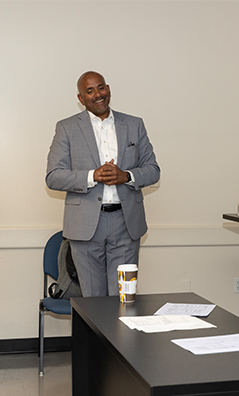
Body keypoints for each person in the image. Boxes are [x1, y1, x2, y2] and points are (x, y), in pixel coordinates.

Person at [46, 71, 160, 297]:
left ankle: (123, 334)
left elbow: (153, 170)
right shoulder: (66, 127)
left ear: (108, 89)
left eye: (101, 87)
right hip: (85, 226)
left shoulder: (134, 124)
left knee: (124, 298)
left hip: (126, 224)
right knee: (93, 301)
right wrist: (92, 176)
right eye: (90, 91)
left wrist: (126, 176)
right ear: (81, 98)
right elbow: (54, 176)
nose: (97, 94)